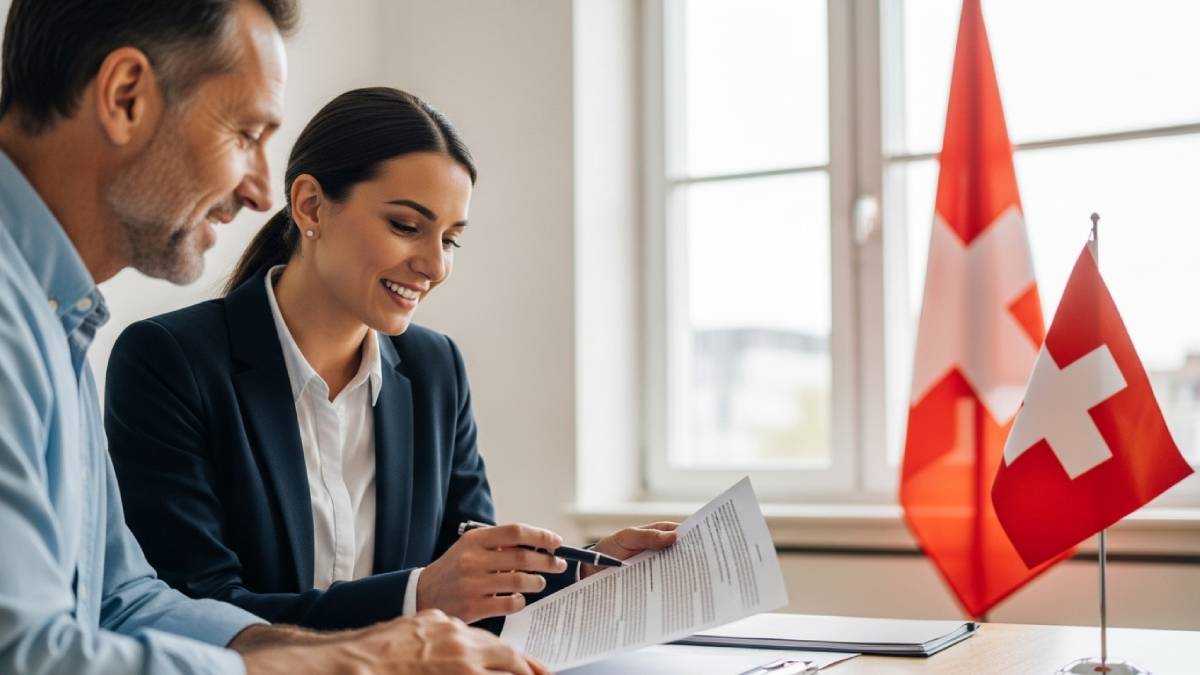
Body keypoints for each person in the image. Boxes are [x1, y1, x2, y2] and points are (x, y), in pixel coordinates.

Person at [0, 1, 547, 673]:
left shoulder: (58, 324)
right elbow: (24, 655)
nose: (262, 191)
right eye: (244, 134)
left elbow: (126, 597)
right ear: (126, 97)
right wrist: (352, 661)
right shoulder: (39, 326)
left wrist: (348, 650)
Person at [104, 85, 679, 632]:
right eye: (407, 226)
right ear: (311, 206)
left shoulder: (434, 369)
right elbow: (193, 606)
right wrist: (416, 597)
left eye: (450, 239)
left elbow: (470, 579)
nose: (435, 265)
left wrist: (585, 569)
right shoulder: (168, 361)